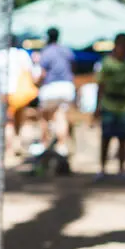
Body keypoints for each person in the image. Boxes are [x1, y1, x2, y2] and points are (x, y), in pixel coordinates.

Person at [94, 32, 125, 180]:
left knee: (123, 139)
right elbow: (101, 86)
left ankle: (122, 169)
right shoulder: (107, 63)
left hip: (124, 106)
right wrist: (97, 107)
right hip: (108, 105)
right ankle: (102, 168)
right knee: (106, 138)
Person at [0, 34, 36, 155]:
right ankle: (18, 145)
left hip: (4, 92)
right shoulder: (22, 55)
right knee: (20, 120)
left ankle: (9, 149)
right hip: (20, 93)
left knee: (8, 122)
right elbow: (30, 72)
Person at [36, 27, 75, 156]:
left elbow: (42, 73)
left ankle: (44, 144)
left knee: (44, 115)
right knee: (60, 115)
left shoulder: (46, 52)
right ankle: (61, 145)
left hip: (51, 87)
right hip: (67, 87)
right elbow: (73, 66)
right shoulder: (66, 50)